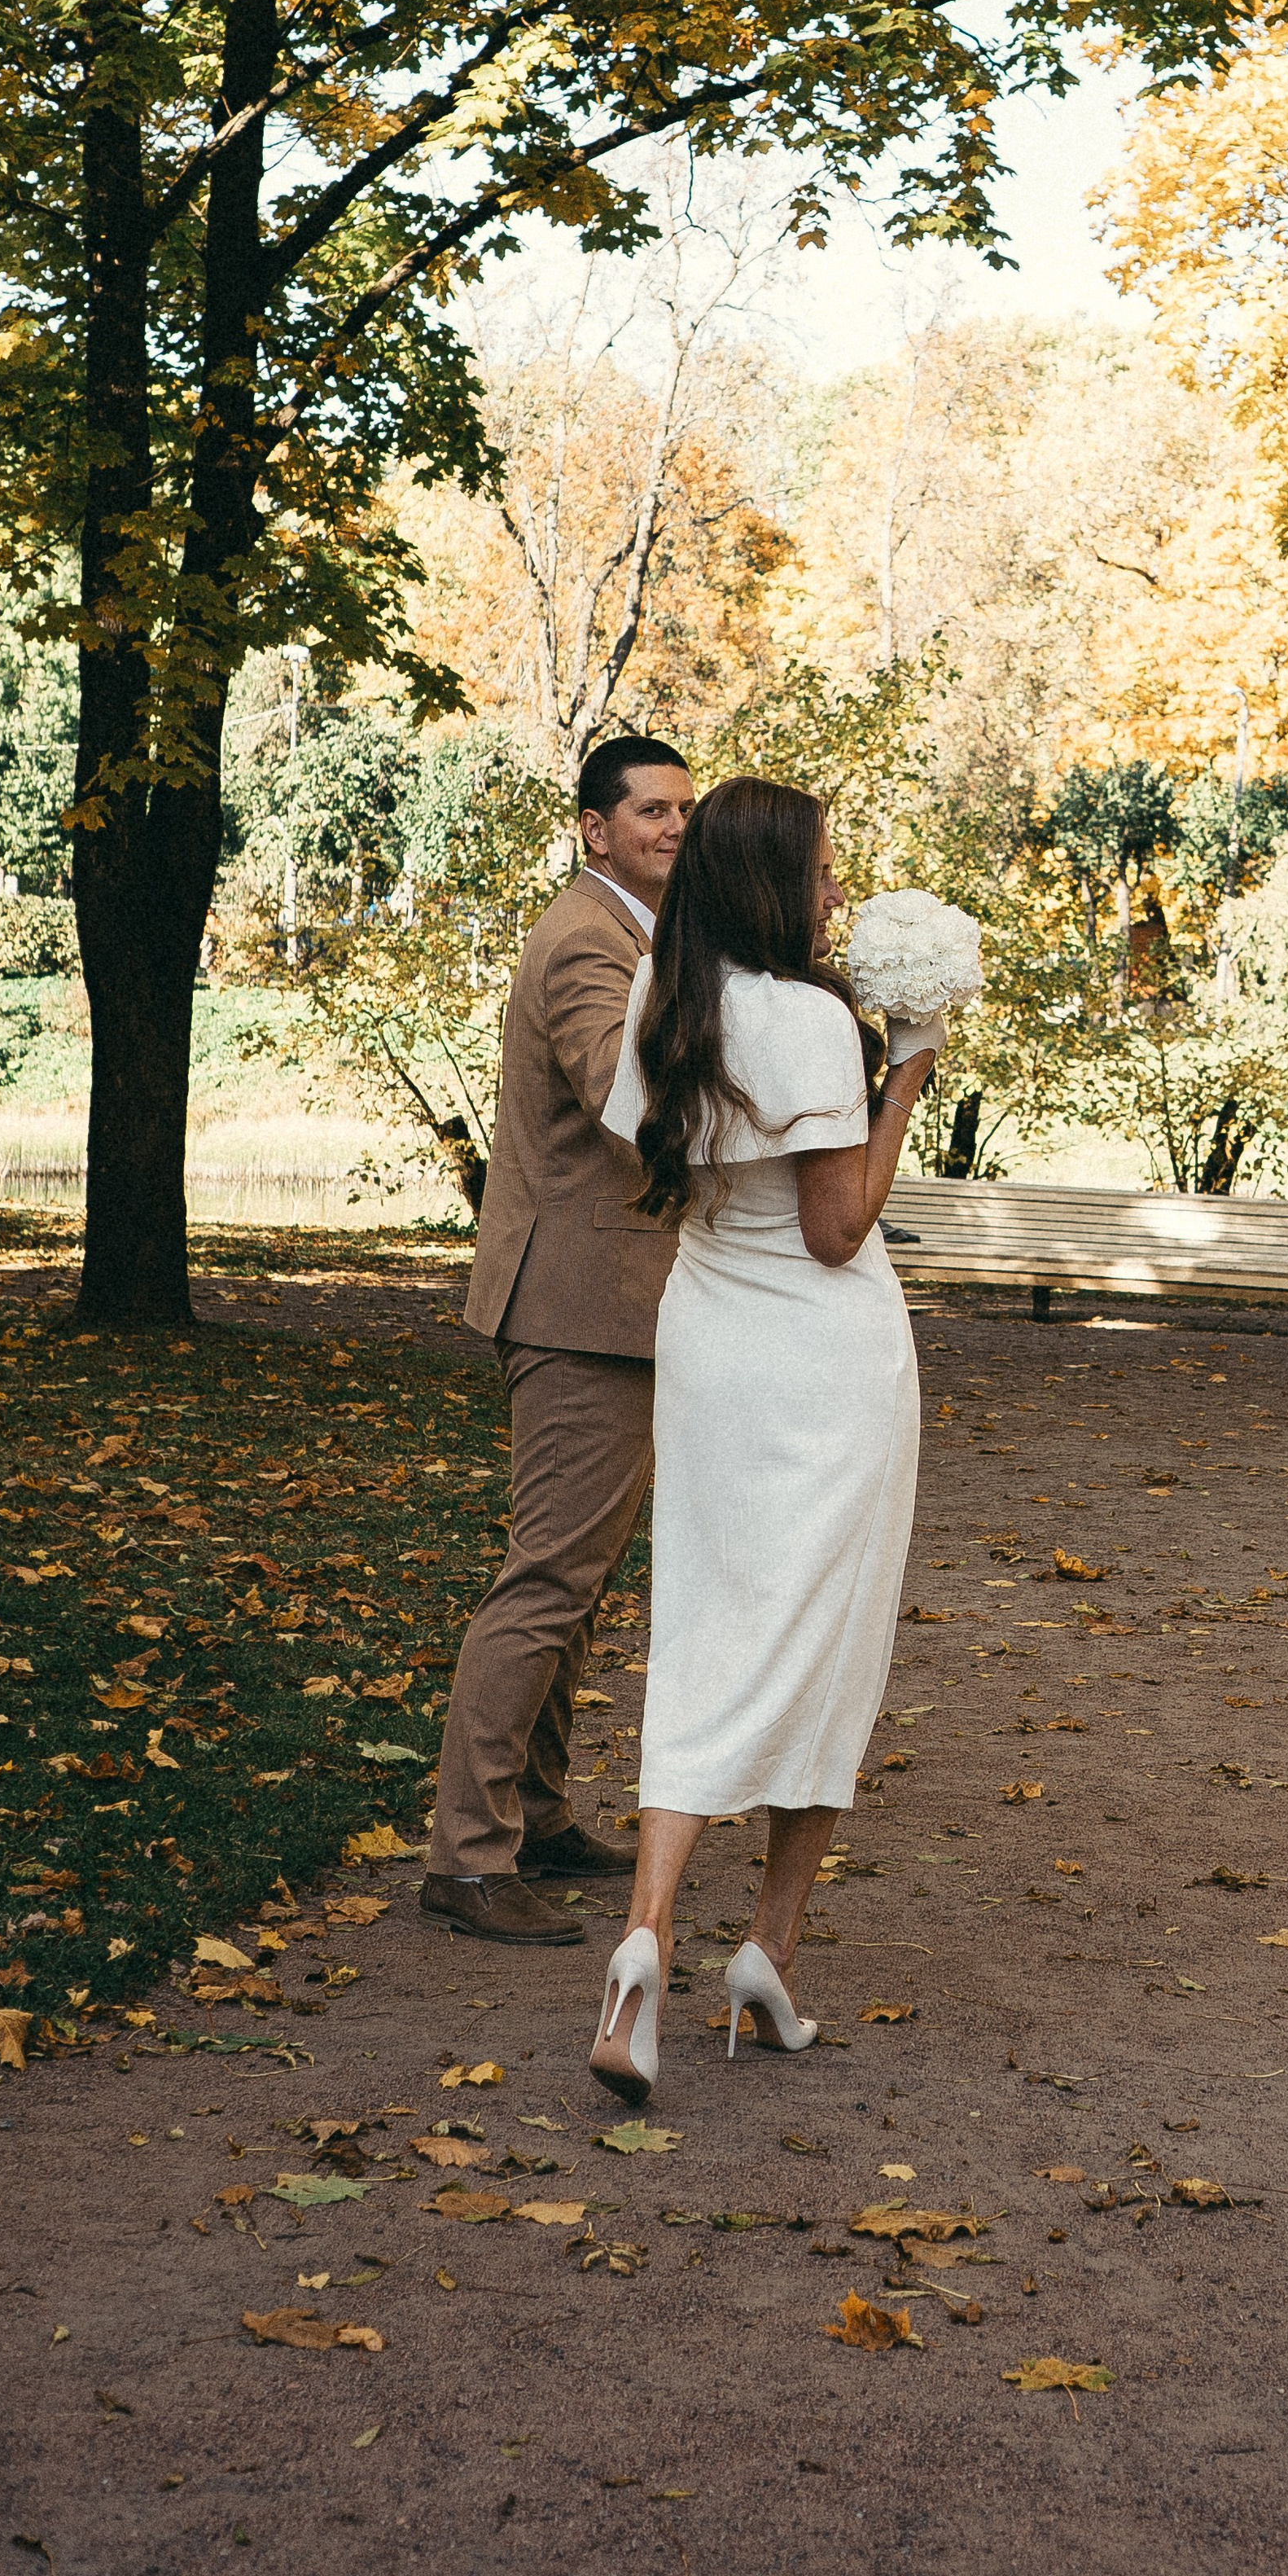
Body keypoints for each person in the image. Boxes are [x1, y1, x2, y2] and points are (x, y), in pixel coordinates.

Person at [585, 775, 941, 2100]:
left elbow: (654, 1169)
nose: (836, 892)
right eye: (823, 871)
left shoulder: (664, 993)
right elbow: (838, 1228)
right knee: (828, 1640)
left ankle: (644, 1943)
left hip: (710, 1340)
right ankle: (770, 1951)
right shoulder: (809, 1019)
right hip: (824, 1358)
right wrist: (906, 1073)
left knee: (707, 1625)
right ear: (773, 882)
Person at [422, 735, 694, 1947]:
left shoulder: (641, 933)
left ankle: (533, 1816)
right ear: (595, 829)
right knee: (544, 1584)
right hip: (581, 1307)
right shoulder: (590, 937)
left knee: (574, 1588)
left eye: (685, 809)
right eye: (651, 811)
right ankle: (468, 1860)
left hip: (610, 1301)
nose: (674, 828)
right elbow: (622, 1093)